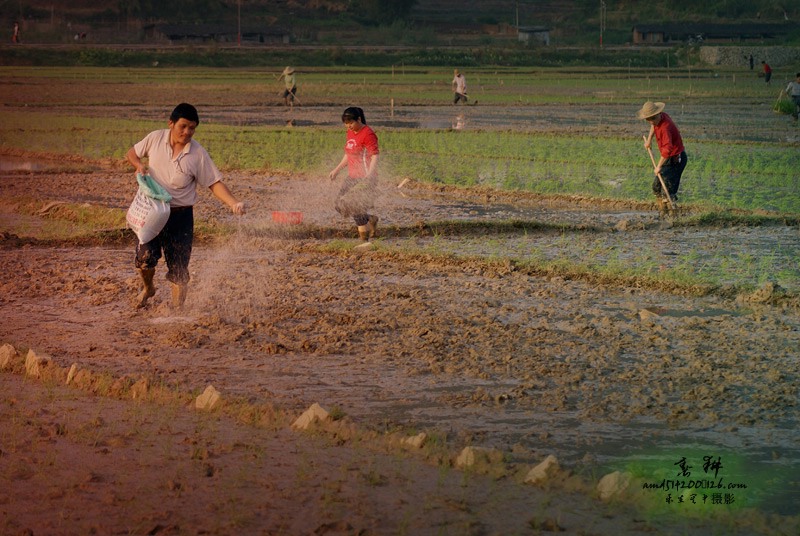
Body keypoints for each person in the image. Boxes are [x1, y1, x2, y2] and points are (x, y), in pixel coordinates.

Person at [125, 103, 246, 309]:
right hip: (153, 212)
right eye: (183, 126)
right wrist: (138, 165)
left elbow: (213, 183)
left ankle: (177, 312)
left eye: (192, 128)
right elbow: (132, 152)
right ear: (170, 124)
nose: (187, 132)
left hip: (180, 217)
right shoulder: (155, 138)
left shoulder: (198, 153)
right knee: (145, 258)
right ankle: (148, 288)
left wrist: (233, 203)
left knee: (179, 270)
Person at [328, 107, 380, 241]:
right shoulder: (350, 133)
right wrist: (336, 170)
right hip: (352, 176)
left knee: (356, 208)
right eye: (346, 123)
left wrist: (370, 174)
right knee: (339, 205)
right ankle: (371, 219)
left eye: (351, 122)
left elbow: (374, 155)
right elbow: (348, 154)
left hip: (365, 178)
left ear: (359, 119)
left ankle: (364, 240)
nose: (348, 126)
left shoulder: (368, 133)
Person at [638, 101, 687, 213]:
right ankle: (662, 211)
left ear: (657, 114)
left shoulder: (665, 127)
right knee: (656, 187)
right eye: (648, 120)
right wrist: (649, 140)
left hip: (675, 160)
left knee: (668, 191)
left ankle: (673, 214)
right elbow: (653, 126)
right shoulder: (659, 118)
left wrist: (658, 166)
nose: (650, 122)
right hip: (668, 158)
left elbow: (667, 150)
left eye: (652, 119)